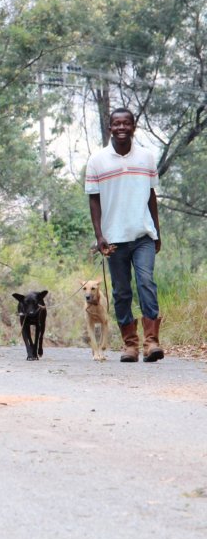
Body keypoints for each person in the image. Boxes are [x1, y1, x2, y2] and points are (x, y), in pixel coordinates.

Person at [86, 107, 164, 363]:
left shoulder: (147, 158)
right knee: (121, 292)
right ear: (110, 128)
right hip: (114, 240)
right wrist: (99, 236)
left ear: (133, 127)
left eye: (126, 123)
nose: (121, 128)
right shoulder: (97, 161)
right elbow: (94, 200)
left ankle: (151, 342)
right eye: (116, 124)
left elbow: (152, 196)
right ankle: (130, 344)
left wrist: (157, 231)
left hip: (143, 234)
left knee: (146, 283)